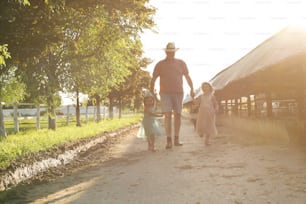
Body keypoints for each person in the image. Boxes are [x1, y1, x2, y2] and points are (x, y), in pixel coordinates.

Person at [150, 42, 194, 149]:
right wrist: (152, 92)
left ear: (175, 52)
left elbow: (187, 76)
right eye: (169, 52)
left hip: (178, 92)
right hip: (165, 92)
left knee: (177, 115)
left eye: (172, 52)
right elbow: (154, 79)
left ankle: (176, 138)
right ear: (165, 52)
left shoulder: (181, 63)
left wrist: (192, 88)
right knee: (168, 115)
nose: (171, 53)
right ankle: (168, 140)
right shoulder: (160, 64)